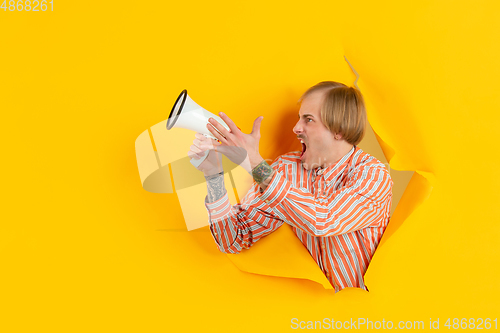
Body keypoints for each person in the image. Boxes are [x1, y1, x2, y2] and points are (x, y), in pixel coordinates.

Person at [188, 81, 393, 292]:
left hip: (363, 315)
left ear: (339, 129)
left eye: (309, 120)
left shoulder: (373, 175)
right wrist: (213, 175)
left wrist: (254, 164)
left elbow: (323, 220)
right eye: (299, 118)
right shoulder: (285, 169)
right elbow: (234, 240)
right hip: (311, 314)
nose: (296, 128)